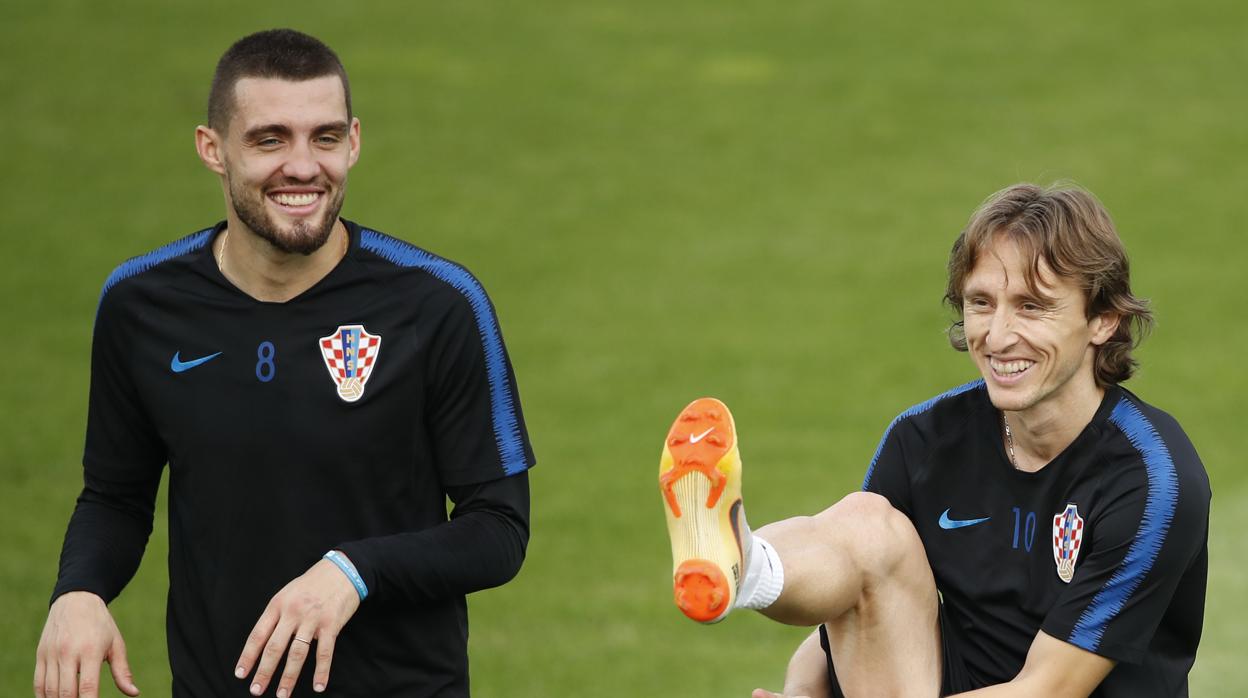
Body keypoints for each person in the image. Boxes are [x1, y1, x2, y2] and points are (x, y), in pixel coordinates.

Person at [34, 28, 535, 698]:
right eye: (270, 139)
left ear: (353, 141)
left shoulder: (437, 304)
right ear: (213, 150)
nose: (303, 167)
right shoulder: (141, 306)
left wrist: (354, 571)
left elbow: (497, 528)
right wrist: (79, 592)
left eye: (324, 138)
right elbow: (116, 497)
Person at [659, 183, 1208, 697]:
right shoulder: (924, 440)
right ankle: (746, 563)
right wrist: (803, 691)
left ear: (1103, 321)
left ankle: (744, 561)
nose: (997, 336)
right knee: (867, 525)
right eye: (981, 303)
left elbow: (1047, 689)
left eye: (1031, 306)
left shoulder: (1153, 479)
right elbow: (853, 599)